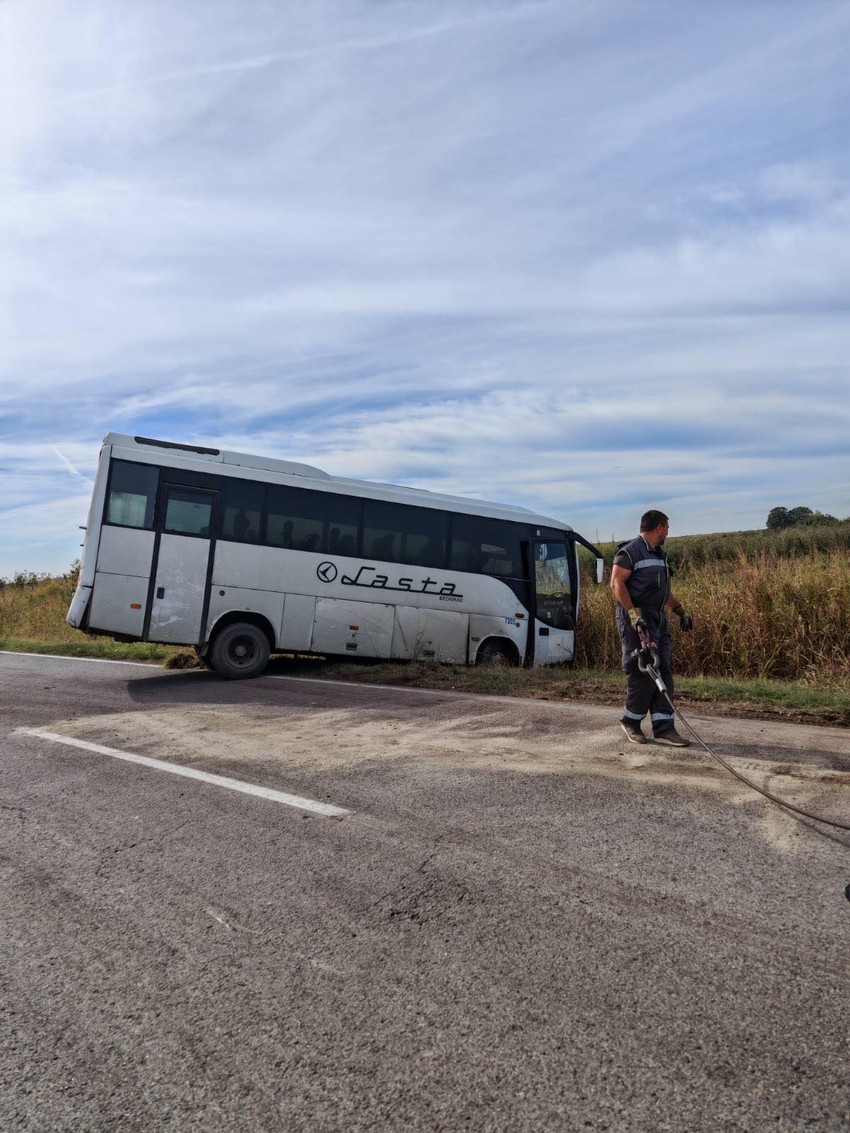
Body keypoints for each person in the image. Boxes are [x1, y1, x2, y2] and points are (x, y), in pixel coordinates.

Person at [609, 510, 694, 747]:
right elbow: (616, 583)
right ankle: (631, 722)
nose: (668, 532)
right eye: (667, 527)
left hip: (658, 619)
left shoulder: (659, 554)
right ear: (659, 528)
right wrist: (633, 616)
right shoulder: (630, 551)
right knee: (643, 672)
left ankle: (664, 728)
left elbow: (662, 591)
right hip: (637, 619)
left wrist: (681, 612)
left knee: (663, 670)